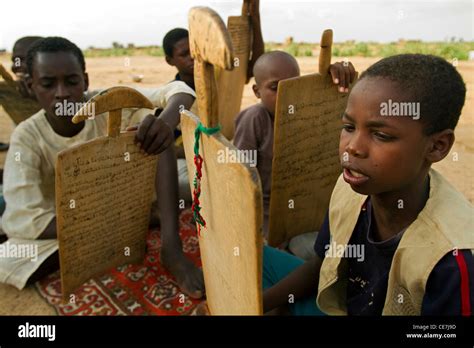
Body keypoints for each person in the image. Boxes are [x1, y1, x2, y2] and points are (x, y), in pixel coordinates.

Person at [263, 54, 473, 315]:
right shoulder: (349, 188)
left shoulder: (452, 259)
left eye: (381, 135)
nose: (352, 147)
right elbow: (321, 266)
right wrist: (256, 305)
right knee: (258, 260)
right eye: (349, 126)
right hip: (341, 305)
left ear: (437, 146)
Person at [0, 37, 204, 298]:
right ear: (31, 86)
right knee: (8, 259)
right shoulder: (27, 136)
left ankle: (171, 247)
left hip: (129, 196)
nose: (62, 93)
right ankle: (134, 226)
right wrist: (108, 221)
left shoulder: (108, 101)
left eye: (71, 81)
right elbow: (24, 219)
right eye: (48, 84)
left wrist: (165, 122)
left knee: (156, 134)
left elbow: (179, 91)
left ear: (84, 80)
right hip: (74, 221)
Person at [233, 50, 356, 259]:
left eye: (292, 86)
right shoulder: (255, 119)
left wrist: (335, 81)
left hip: (309, 210)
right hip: (269, 217)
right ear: (256, 91)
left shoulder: (307, 112)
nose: (286, 94)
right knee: (317, 257)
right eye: (275, 87)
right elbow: (241, 180)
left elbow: (340, 108)